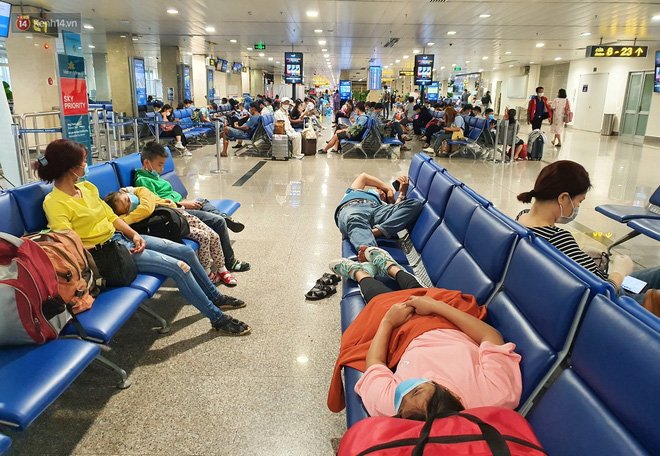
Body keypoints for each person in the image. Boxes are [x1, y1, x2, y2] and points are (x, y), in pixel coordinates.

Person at [34, 139, 250, 336]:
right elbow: (68, 245)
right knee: (178, 267)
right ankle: (217, 318)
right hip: (105, 254)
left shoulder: (86, 188)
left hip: (120, 239)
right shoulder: (55, 202)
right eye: (83, 161)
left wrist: (134, 234)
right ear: (71, 167)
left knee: (185, 252)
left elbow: (111, 216)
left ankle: (215, 296)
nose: (86, 165)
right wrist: (114, 244)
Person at [327, 247, 522, 418]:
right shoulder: (495, 396)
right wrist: (436, 306)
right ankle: (389, 266)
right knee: (420, 293)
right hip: (450, 323)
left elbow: (375, 364)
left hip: (403, 336)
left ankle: (360, 274)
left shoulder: (394, 407)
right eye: (417, 390)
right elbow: (491, 337)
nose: (406, 390)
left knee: (381, 303)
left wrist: (388, 322)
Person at [516, 160, 660, 316]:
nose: (578, 207)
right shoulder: (559, 238)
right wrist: (620, 271)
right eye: (579, 201)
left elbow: (563, 257)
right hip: (614, 303)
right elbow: (603, 294)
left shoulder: (521, 219)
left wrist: (579, 254)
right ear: (563, 198)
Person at [135, 141, 251, 272]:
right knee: (219, 221)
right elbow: (157, 204)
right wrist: (183, 204)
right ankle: (230, 261)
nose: (162, 169)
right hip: (176, 211)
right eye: (160, 165)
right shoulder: (143, 181)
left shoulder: (153, 176)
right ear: (146, 163)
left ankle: (222, 215)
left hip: (180, 204)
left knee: (202, 200)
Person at [103, 187, 237, 286]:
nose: (130, 204)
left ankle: (222, 269)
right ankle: (207, 273)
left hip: (180, 214)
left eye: (127, 199)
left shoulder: (142, 192)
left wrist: (127, 218)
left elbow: (146, 209)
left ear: (124, 193)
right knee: (204, 236)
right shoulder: (133, 212)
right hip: (173, 224)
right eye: (127, 208)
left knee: (213, 235)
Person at [334, 172, 423, 251]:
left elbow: (396, 215)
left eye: (384, 196)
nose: (382, 193)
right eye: (379, 189)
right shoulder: (354, 192)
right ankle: (372, 253)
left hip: (378, 211)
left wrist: (402, 194)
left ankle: (375, 233)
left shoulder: (383, 205)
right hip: (354, 207)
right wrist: (388, 189)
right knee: (354, 218)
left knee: (415, 203)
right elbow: (364, 177)